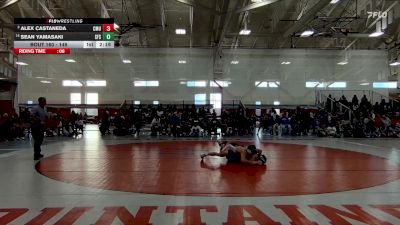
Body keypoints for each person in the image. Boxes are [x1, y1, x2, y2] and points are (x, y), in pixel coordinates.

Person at [201, 142, 267, 165]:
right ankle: (205, 154)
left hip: (236, 155)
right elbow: (243, 161)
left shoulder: (255, 151)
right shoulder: (243, 151)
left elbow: (260, 151)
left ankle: (222, 145)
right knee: (220, 154)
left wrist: (259, 156)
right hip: (233, 152)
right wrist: (255, 162)